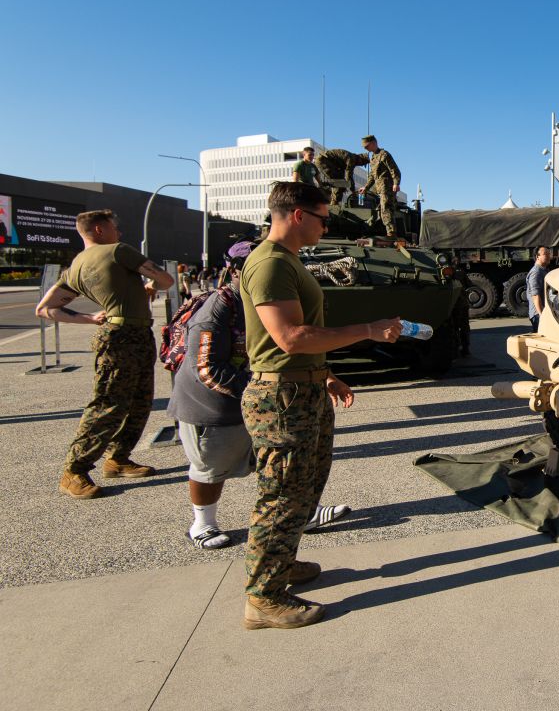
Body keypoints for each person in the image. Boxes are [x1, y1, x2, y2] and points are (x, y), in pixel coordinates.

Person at [239, 182, 401, 629]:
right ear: (296, 215)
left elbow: (295, 338)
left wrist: (325, 375)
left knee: (304, 491)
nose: (326, 226)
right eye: (322, 218)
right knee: (281, 497)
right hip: (282, 399)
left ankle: (279, 563)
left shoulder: (287, 262)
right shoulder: (270, 263)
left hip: (302, 390)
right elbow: (288, 337)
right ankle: (263, 598)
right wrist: (368, 328)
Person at [171, 241, 352, 549]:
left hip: (264, 400)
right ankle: (202, 523)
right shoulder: (217, 309)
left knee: (278, 466)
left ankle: (299, 515)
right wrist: (263, 391)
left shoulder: (272, 300)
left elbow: (291, 348)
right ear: (235, 271)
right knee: (210, 466)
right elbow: (207, 369)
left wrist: (326, 377)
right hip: (214, 405)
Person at [36, 209, 175, 499]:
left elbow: (46, 309)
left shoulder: (76, 265)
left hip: (123, 334)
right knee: (109, 404)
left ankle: (117, 459)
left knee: (137, 402)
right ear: (99, 230)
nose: (119, 232)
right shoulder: (118, 251)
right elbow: (166, 280)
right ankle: (74, 470)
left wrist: (88, 319)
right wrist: (151, 285)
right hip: (125, 338)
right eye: (114, 226)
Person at [357, 135, 401, 237]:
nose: (365, 149)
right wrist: (366, 187)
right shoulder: (373, 158)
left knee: (386, 208)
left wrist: (396, 183)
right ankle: (375, 230)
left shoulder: (384, 155)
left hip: (387, 187)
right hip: (379, 189)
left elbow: (394, 170)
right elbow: (372, 176)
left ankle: (391, 233)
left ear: (373, 143)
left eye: (366, 146)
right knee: (380, 210)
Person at [526, 245, 550, 330]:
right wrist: (542, 315)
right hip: (538, 314)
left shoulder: (543, 270)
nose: (548, 256)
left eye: (548, 253)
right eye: (545, 254)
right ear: (537, 257)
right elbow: (535, 295)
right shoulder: (536, 272)